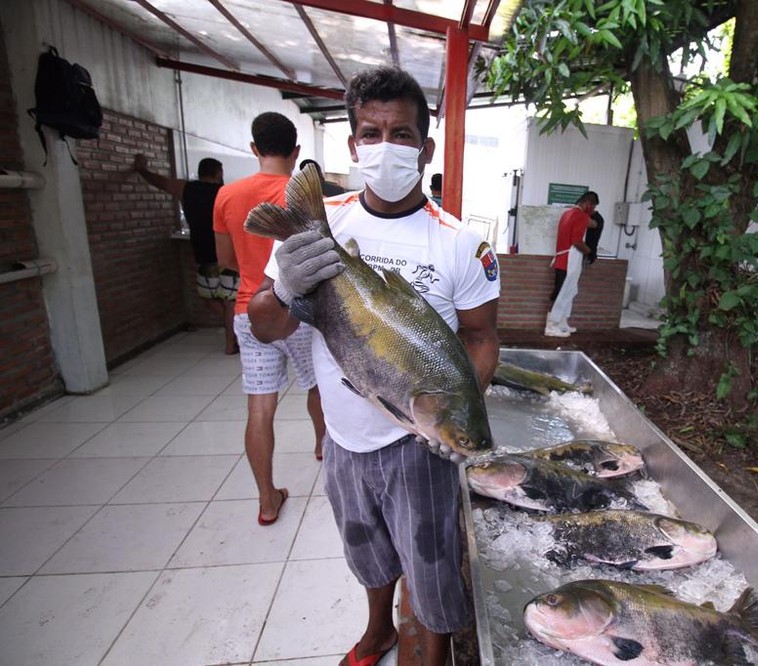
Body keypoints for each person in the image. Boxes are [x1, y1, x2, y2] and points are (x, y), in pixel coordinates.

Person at [248, 67, 500, 666]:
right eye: (372, 132)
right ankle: (378, 630)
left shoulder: (461, 243)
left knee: (432, 563)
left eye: (402, 134)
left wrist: (453, 416)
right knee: (364, 548)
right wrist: (284, 286)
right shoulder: (322, 222)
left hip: (418, 444)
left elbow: (482, 338)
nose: (386, 145)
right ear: (354, 145)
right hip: (343, 436)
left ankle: (432, 653)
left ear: (425, 148)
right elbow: (266, 326)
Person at [212, 112, 326, 525]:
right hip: (300, 311)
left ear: (254, 148)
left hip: (249, 311)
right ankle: (322, 447)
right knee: (318, 386)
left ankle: (266, 499)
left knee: (260, 406)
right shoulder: (304, 197)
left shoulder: (226, 195)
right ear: (296, 151)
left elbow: (224, 259)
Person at [132, 154, 238, 354]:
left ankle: (231, 334)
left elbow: (160, 182)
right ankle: (231, 338)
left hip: (203, 254)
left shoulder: (185, 188)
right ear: (218, 173)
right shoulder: (226, 192)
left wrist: (142, 170)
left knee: (207, 297)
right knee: (230, 300)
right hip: (227, 254)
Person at [545, 191, 599, 337]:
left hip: (562, 258)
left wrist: (593, 223)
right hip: (569, 260)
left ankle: (562, 323)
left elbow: (591, 224)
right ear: (588, 204)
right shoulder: (580, 216)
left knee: (569, 292)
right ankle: (551, 326)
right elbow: (577, 241)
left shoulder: (567, 213)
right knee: (561, 293)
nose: (593, 211)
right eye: (593, 207)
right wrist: (590, 252)